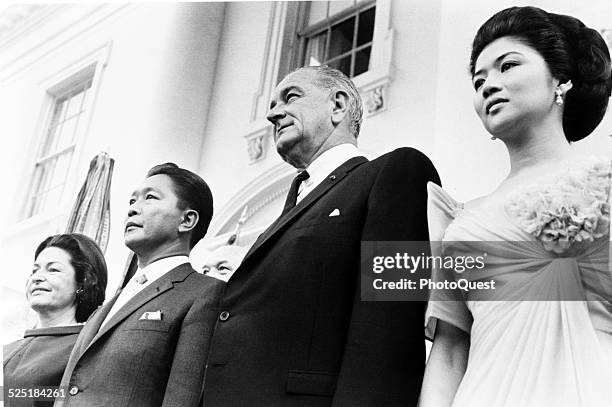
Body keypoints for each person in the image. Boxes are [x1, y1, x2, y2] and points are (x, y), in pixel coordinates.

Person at [202, 66, 440, 406]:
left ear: (338, 106)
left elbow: (389, 336)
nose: (272, 114)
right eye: (271, 104)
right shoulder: (288, 212)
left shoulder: (394, 174)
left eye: (291, 97)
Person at [420, 6, 612, 407]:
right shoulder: (461, 223)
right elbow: (451, 351)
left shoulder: (608, 184)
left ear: (559, 78)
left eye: (507, 66)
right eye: (479, 80)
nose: (489, 85)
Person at [55, 163, 224, 407]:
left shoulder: (204, 294)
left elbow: (182, 397)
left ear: (187, 220)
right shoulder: (105, 309)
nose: (133, 210)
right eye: (132, 202)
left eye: (150, 198)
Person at [3, 233, 107, 407]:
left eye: (53, 270)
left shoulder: (87, 349)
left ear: (83, 282)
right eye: (34, 270)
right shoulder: (8, 348)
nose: (36, 278)